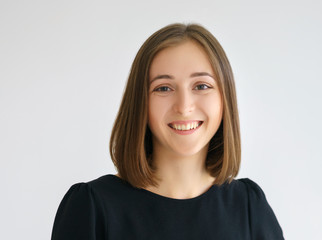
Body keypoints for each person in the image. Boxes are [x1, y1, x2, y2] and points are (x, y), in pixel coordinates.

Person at [51, 23, 284, 240]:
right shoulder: (91, 207)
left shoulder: (250, 207)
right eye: (163, 88)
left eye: (201, 86)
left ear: (225, 99)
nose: (184, 107)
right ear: (140, 102)